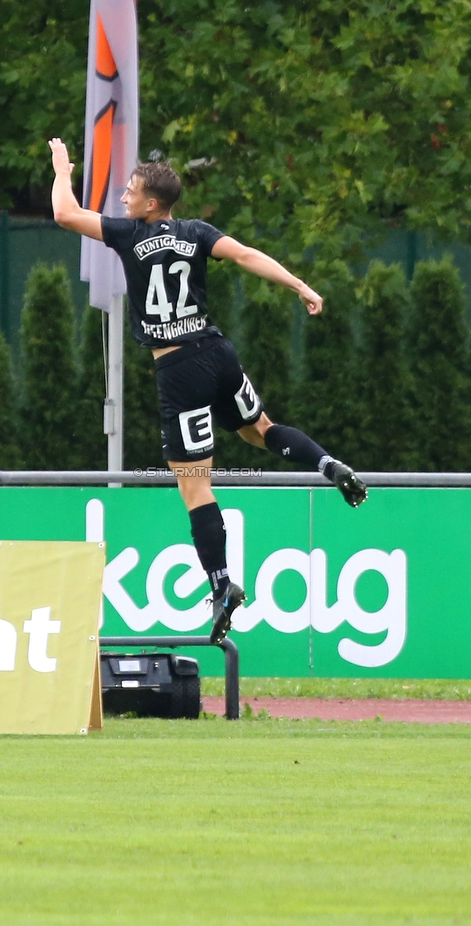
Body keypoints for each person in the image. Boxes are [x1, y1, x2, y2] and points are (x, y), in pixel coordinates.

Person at [49, 138, 367, 644]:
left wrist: (62, 170)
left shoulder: (130, 234)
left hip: (177, 369)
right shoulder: (196, 232)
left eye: (131, 192)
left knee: (195, 485)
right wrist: (300, 285)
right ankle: (328, 464)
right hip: (217, 353)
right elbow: (244, 255)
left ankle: (221, 586)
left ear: (152, 204)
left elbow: (65, 214)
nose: (125, 198)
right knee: (261, 430)